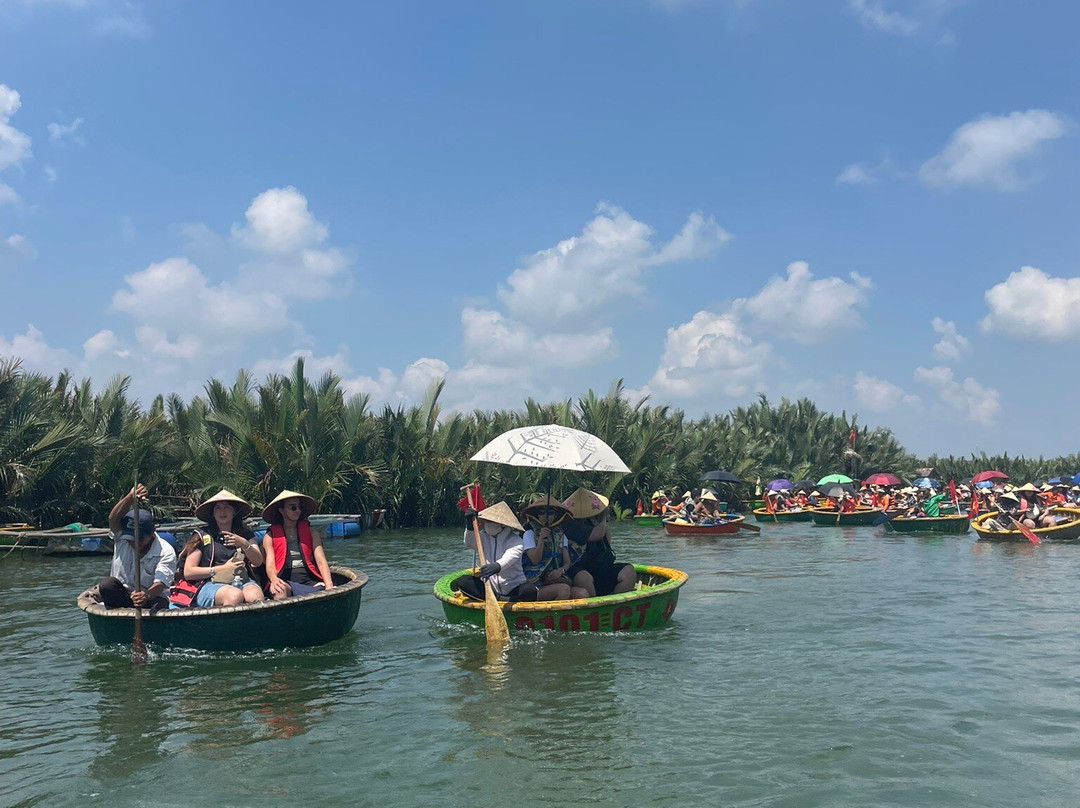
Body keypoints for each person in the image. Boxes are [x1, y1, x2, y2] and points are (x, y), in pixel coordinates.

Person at [175, 489, 265, 608]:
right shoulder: (201, 535)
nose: (222, 511)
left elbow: (257, 561)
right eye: (218, 508)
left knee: (255, 596)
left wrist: (243, 544)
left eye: (226, 507)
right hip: (209, 583)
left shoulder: (245, 534)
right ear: (212, 513)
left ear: (234, 511)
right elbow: (189, 572)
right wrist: (222, 568)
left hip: (242, 581)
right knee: (234, 596)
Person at [99, 484, 177, 611]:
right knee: (107, 585)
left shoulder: (165, 551)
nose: (134, 543)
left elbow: (161, 583)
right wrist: (130, 497)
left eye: (140, 539)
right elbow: (113, 518)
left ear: (152, 532)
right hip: (122, 595)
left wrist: (146, 595)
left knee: (159, 605)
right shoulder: (121, 539)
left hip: (150, 598)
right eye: (131, 539)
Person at [562, 487, 637, 597]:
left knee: (628, 571)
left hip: (601, 566)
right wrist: (603, 517)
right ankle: (595, 606)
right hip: (578, 567)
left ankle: (615, 604)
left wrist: (602, 520)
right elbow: (597, 534)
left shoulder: (595, 521)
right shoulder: (570, 524)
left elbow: (607, 540)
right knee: (584, 577)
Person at [261, 489, 335, 599]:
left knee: (322, 590)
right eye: (293, 507)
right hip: (284, 579)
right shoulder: (270, 536)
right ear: (282, 510)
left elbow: (321, 561)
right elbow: (270, 565)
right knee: (279, 591)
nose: (298, 510)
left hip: (308, 579)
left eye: (299, 507)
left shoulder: (312, 533)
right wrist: (274, 579)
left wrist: (329, 585)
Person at [455, 501, 534, 601]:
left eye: (491, 522)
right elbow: (469, 543)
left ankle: (509, 599)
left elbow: (510, 557)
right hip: (490, 587)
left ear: (502, 524)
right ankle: (496, 598)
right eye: (486, 522)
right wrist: (469, 525)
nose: (487, 525)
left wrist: (497, 566)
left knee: (529, 590)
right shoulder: (482, 537)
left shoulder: (515, 540)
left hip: (513, 587)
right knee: (464, 581)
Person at [520, 496, 586, 600]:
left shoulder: (560, 535)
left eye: (550, 512)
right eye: (541, 512)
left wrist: (561, 571)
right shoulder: (529, 534)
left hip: (554, 578)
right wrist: (541, 539)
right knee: (563, 589)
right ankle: (551, 616)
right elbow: (534, 560)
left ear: (555, 515)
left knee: (582, 593)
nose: (545, 516)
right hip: (534, 583)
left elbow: (567, 562)